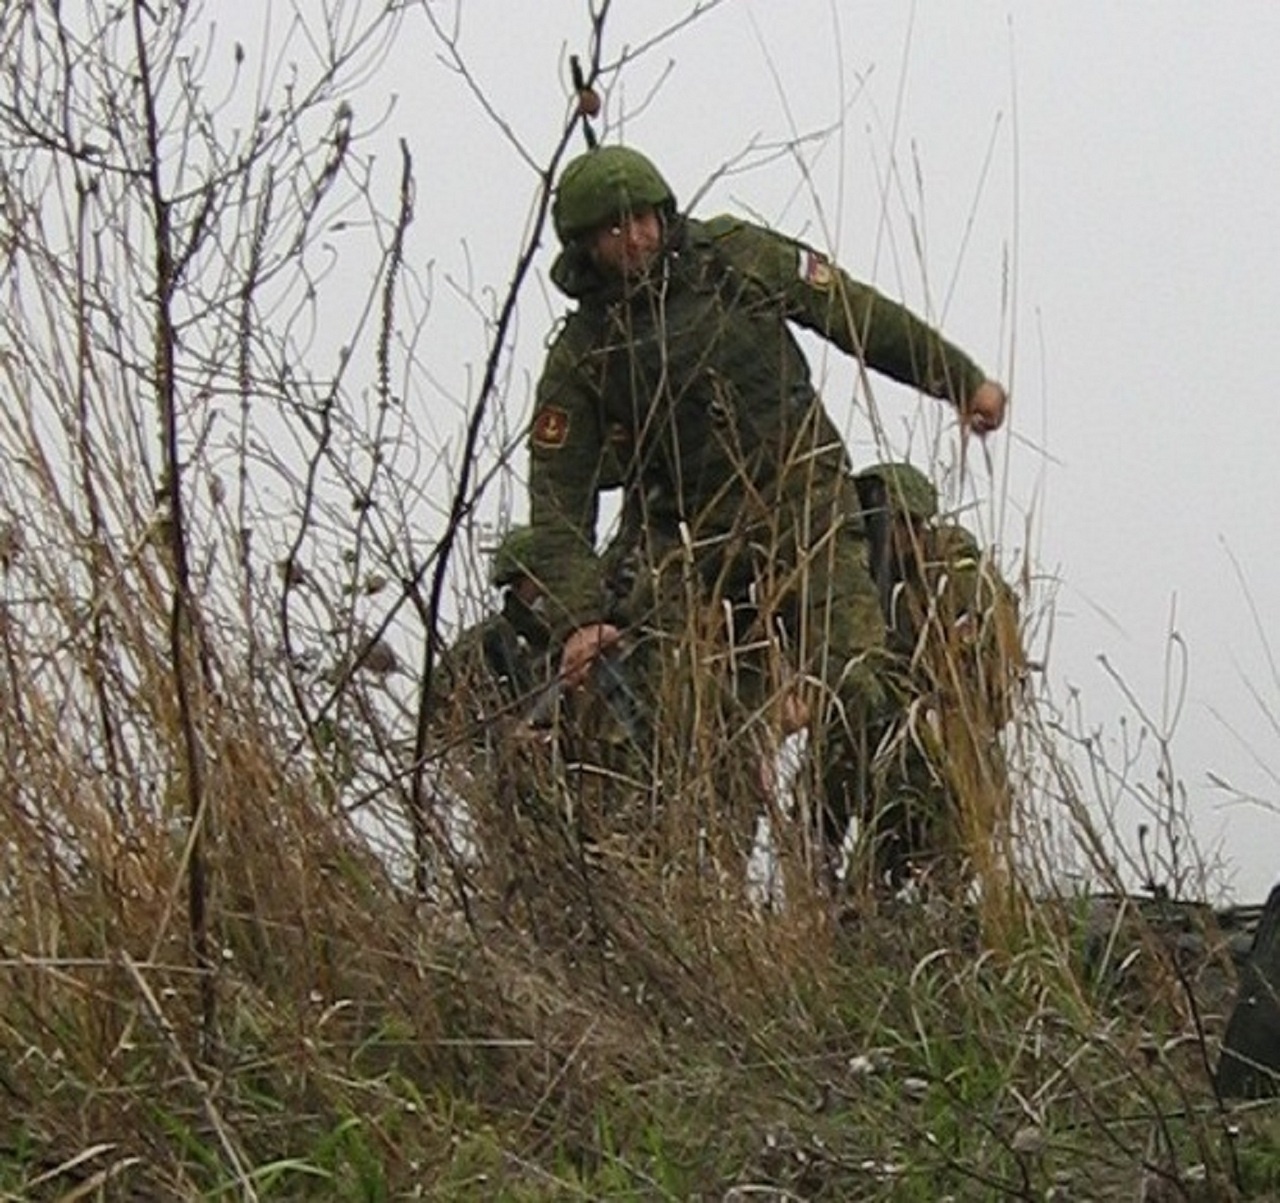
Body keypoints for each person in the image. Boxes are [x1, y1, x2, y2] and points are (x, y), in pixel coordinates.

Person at [525, 144, 1008, 856]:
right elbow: (557, 498)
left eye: (643, 220)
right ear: (585, 246)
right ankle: (711, 919)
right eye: (612, 230)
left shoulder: (735, 258)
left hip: (805, 512)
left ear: (664, 212)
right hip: (693, 553)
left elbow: (855, 313)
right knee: (694, 743)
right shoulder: (582, 354)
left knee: (864, 689)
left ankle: (829, 858)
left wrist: (958, 379)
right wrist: (579, 618)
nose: (635, 240)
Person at [853, 461, 1026, 885]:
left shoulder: (959, 580)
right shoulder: (878, 581)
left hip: (955, 770)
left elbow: (995, 691)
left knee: (941, 899)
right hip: (896, 768)